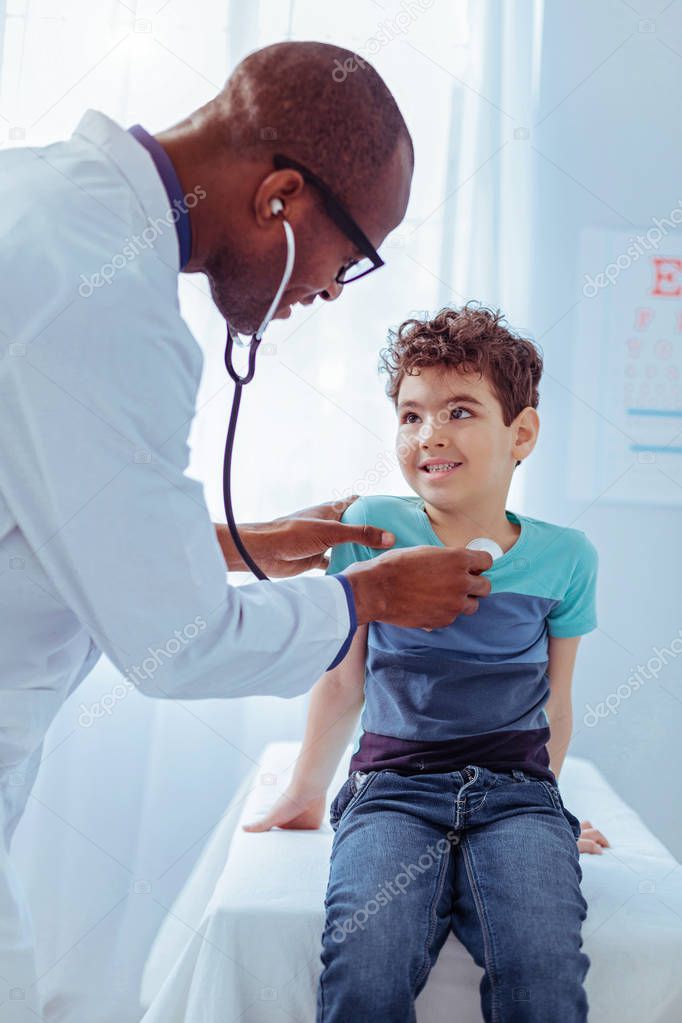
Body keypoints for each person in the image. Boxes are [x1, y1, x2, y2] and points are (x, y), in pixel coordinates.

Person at [0, 41, 494, 1018]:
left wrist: (242, 543)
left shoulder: (45, 202)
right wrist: (370, 600)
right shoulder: (110, 305)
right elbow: (176, 648)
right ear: (278, 196)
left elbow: (43, 512)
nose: (327, 295)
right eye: (345, 261)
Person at [246, 304, 610, 1022]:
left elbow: (557, 704)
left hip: (515, 794)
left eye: (460, 411)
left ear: (522, 433)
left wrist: (550, 805)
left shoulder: (568, 557)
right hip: (392, 789)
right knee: (364, 963)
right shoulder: (371, 528)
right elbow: (344, 678)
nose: (429, 434)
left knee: (543, 967)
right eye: (410, 416)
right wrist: (305, 788)